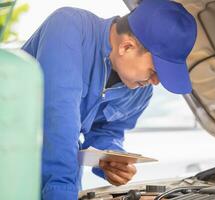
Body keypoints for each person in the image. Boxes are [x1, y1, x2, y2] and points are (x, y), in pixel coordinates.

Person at [22, 0, 197, 199]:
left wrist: (113, 159)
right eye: (155, 71)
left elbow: (108, 131)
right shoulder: (69, 27)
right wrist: (62, 193)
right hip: (10, 156)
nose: (156, 82)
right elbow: (58, 118)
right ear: (127, 46)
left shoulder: (140, 91)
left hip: (57, 177)